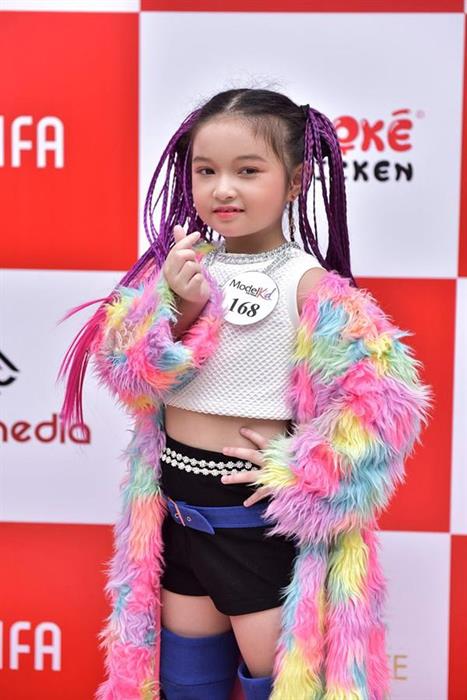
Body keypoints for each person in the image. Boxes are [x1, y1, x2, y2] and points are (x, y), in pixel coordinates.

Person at [58, 88, 433, 700]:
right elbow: (125, 374)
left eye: (248, 171)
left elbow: (384, 406)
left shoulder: (310, 286)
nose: (223, 189)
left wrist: (303, 470)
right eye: (206, 171)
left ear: (295, 181)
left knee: (280, 683)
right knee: (185, 681)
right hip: (175, 513)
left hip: (256, 522)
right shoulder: (182, 269)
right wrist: (178, 309)